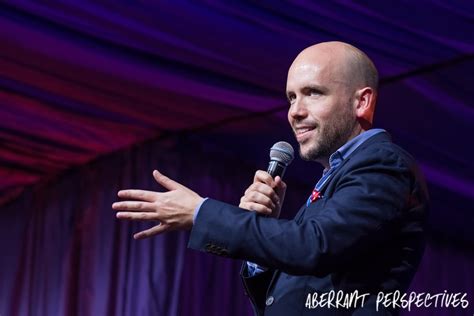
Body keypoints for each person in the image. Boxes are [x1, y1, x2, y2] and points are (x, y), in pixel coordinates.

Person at [112, 41, 429, 315]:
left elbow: (314, 246)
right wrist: (261, 244)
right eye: (291, 97)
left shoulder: (384, 164)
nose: (295, 111)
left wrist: (200, 212)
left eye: (313, 93)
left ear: (361, 101)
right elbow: (289, 296)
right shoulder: (339, 174)